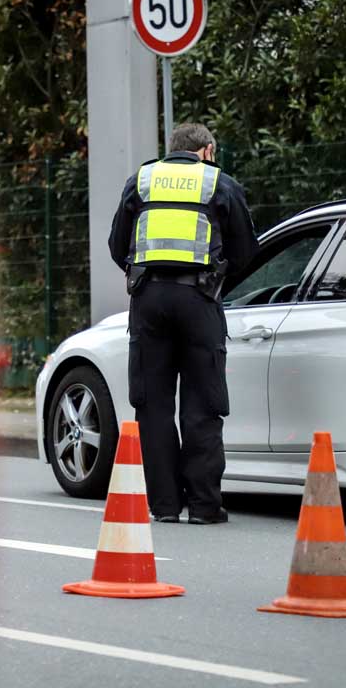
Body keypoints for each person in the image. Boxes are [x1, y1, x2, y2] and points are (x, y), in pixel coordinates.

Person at [108, 123, 258, 524]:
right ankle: (205, 507)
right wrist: (215, 277)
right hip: (199, 300)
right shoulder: (219, 183)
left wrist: (144, 274)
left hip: (149, 301)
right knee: (203, 403)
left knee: (152, 404)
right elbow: (246, 251)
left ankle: (164, 506)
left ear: (172, 150)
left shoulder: (140, 180)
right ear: (206, 150)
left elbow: (116, 246)